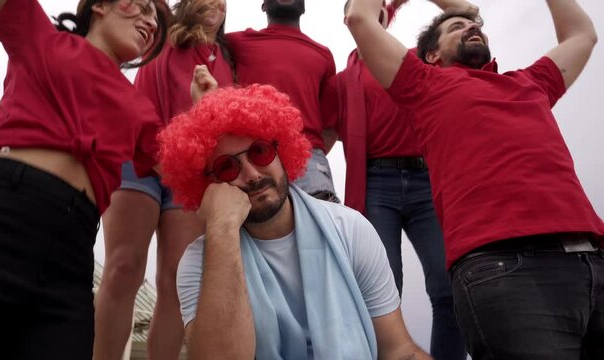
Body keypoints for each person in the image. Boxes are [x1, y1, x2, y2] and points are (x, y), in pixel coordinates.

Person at [346, 0, 604, 358]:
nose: (471, 28)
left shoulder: (531, 82)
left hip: (594, 257)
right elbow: (360, 17)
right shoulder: (423, 86)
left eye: (474, 26)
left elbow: (582, 34)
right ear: (431, 56)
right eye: (455, 28)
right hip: (507, 269)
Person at [157, 81, 432, 360]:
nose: (252, 174)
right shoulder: (198, 262)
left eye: (259, 152)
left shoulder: (350, 229)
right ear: (208, 186)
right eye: (227, 167)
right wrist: (222, 226)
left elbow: (398, 350)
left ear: (281, 150)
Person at [0, 0, 168, 359]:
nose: (151, 20)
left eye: (156, 18)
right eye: (142, 5)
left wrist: (208, 111)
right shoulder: (39, 34)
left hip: (71, 251)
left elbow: (182, 167)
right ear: (100, 6)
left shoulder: (141, 110)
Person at [325, 1, 466, 358]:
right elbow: (322, 135)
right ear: (349, 19)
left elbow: (463, 22)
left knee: (451, 286)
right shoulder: (341, 83)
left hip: (427, 180)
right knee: (382, 290)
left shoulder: (415, 62)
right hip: (376, 185)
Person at [92, 1, 233, 359]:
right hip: (139, 157)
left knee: (174, 283)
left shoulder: (232, 57)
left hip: (188, 173)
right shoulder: (163, 33)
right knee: (123, 267)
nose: (216, 3)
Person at [226, 0, 340, 202]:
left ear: (304, 6)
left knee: (323, 226)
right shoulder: (236, 43)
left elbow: (330, 125)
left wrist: (301, 149)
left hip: (308, 157)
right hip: (252, 155)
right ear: (263, 5)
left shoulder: (323, 54)